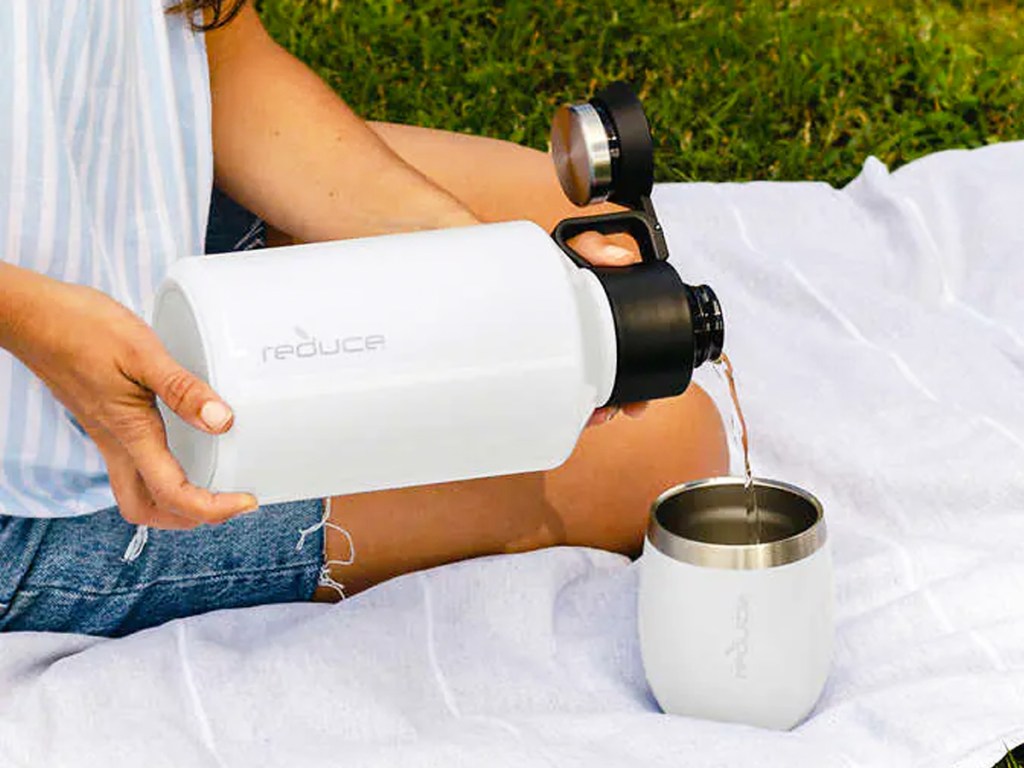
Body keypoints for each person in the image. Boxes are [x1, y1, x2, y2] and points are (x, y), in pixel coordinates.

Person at [0, 0, 726, 636]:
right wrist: (33, 320)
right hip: (29, 476)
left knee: (592, 231)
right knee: (674, 446)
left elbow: (218, 49)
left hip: (120, 197)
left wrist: (484, 266)